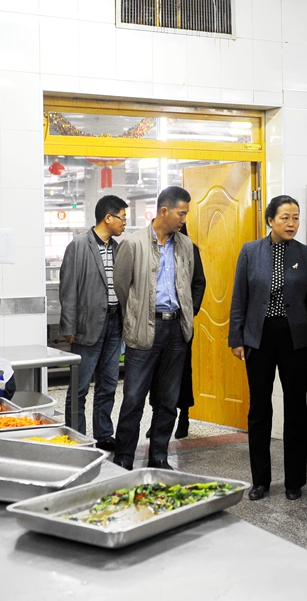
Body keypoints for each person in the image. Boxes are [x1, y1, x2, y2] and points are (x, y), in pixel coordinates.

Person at [229, 195, 307, 501]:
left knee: (296, 408)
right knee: (259, 408)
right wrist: (236, 338)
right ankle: (260, 481)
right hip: (259, 336)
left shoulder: (306, 254)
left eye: (295, 217)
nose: (291, 223)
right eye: (285, 217)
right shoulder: (250, 251)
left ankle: (295, 481)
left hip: (295, 337)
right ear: (270, 220)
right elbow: (240, 297)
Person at [111, 186, 195, 470]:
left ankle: (159, 455)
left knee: (168, 400)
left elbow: (188, 284)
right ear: (164, 211)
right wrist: (138, 315)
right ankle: (124, 456)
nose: (184, 219)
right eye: (181, 213)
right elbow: (122, 288)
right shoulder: (133, 244)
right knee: (134, 398)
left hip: (176, 331)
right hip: (145, 329)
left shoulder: (185, 245)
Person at [58, 195, 128, 448]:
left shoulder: (119, 249)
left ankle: (103, 435)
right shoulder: (79, 246)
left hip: (115, 323)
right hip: (87, 326)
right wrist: (69, 327)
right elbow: (68, 290)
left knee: (108, 384)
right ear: (108, 218)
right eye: (122, 218)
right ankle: (77, 437)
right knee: (79, 388)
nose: (124, 223)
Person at [173, 222, 206, 439]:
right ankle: (159, 416)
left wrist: (190, 311)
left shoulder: (190, 248)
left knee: (183, 371)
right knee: (157, 374)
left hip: (181, 322)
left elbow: (199, 282)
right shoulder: (154, 246)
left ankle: (183, 415)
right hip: (156, 321)